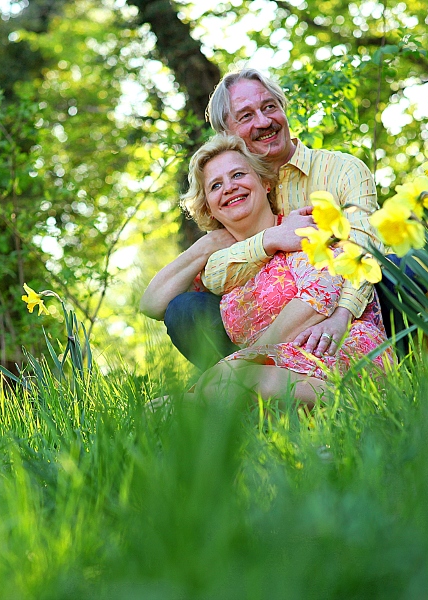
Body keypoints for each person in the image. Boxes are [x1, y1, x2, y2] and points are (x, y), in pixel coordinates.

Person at [141, 68, 382, 369]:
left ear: (264, 184)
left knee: (404, 269)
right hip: (261, 339)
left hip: (346, 309)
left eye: (270, 107)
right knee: (184, 309)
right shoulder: (227, 219)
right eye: (246, 116)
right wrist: (262, 240)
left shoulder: (342, 171)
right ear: (227, 133)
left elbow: (362, 251)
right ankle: (234, 397)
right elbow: (152, 303)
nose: (264, 121)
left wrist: (341, 316)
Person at [141, 134, 392, 405]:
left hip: (337, 353)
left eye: (238, 174)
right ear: (209, 209)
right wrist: (207, 245)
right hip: (276, 370)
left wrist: (242, 361)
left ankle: (352, 403)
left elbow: (320, 296)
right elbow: (151, 303)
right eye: (215, 185)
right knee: (228, 384)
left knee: (234, 380)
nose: (229, 187)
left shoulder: (300, 226)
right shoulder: (222, 264)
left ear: (265, 183)